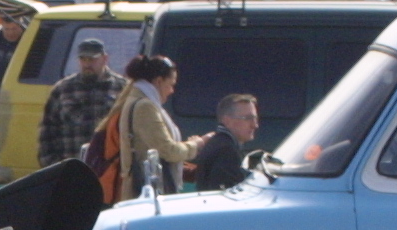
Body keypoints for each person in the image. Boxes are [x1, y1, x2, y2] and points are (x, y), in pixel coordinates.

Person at [110, 54, 204, 196]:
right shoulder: (145, 107)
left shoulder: (138, 100)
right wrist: (196, 144)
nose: (172, 91)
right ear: (159, 81)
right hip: (147, 192)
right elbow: (169, 151)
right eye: (171, 84)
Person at [37, 36, 125, 167]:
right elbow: (47, 130)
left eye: (92, 59)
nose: (87, 64)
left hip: (109, 167)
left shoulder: (122, 88)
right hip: (72, 166)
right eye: (83, 59)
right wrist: (52, 165)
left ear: (105, 59)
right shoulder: (63, 89)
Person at [191, 92, 259, 191]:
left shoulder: (219, 143)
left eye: (255, 118)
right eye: (248, 118)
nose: (255, 125)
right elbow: (225, 194)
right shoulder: (226, 151)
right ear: (227, 121)